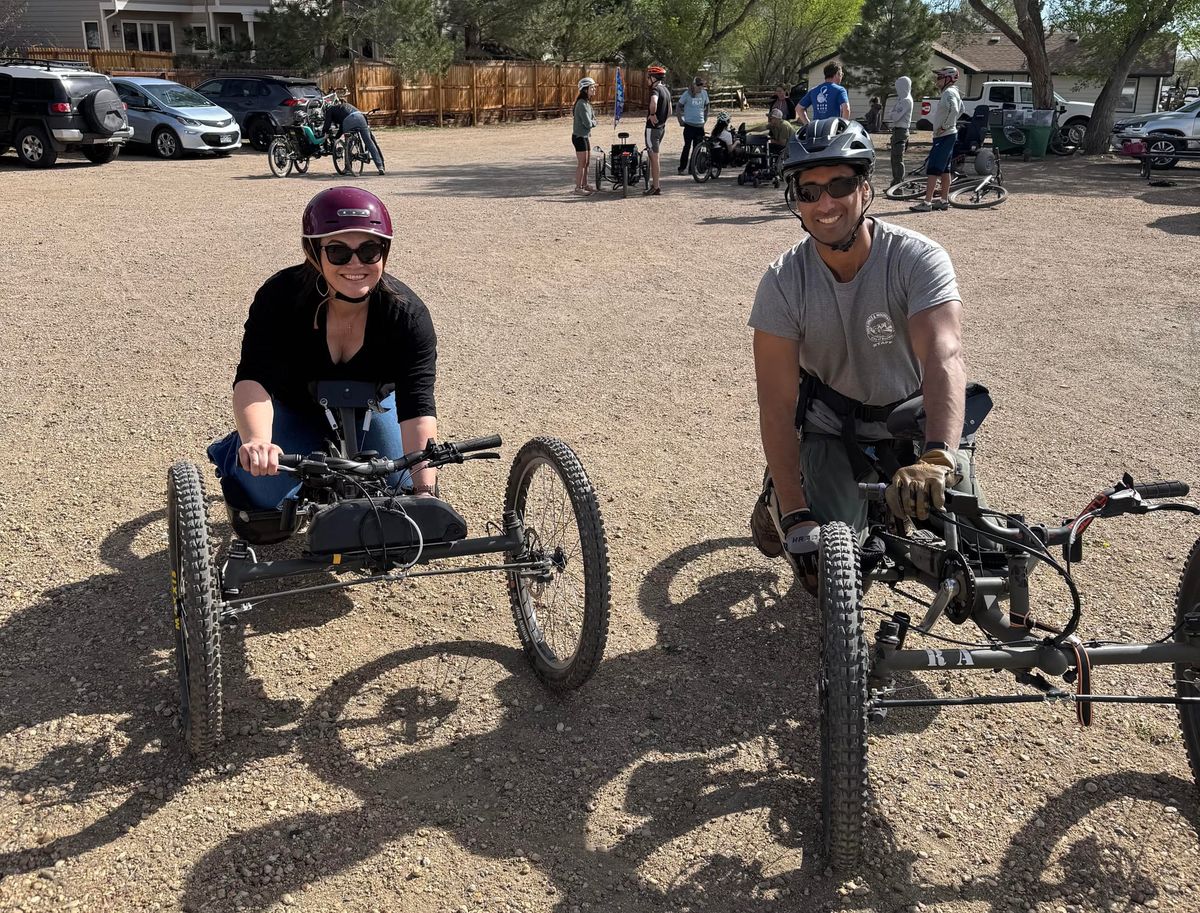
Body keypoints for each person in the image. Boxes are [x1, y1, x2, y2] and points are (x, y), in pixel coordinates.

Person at [747, 118, 968, 591]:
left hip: (912, 422)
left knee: (975, 553)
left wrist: (938, 458)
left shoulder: (916, 258)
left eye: (840, 185)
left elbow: (944, 355)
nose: (825, 204)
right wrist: (794, 510)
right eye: (809, 191)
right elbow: (778, 404)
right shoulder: (783, 281)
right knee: (825, 576)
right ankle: (775, 493)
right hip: (831, 423)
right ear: (796, 201)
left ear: (865, 188)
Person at [207, 187, 438, 511]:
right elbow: (254, 378)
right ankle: (234, 449)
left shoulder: (408, 316)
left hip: (370, 409)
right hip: (296, 405)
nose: (355, 263)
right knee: (264, 501)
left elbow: (417, 405)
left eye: (369, 250)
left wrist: (425, 490)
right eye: (338, 252)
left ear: (385, 251)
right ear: (314, 252)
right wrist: (257, 441)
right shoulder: (280, 297)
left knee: (398, 489)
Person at [912, 67, 962, 212]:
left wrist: (945, 125)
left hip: (944, 135)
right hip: (949, 134)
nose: (937, 79)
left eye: (940, 77)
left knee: (933, 169)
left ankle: (927, 202)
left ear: (948, 78)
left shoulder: (948, 92)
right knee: (945, 170)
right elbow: (962, 109)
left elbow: (955, 110)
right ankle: (943, 200)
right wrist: (950, 124)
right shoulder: (954, 92)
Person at [325, 96, 386, 175]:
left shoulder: (330, 110)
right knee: (369, 142)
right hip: (360, 117)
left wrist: (329, 134)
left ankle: (348, 167)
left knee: (348, 144)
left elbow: (328, 125)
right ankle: (380, 166)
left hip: (348, 121)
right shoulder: (347, 106)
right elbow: (341, 126)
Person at [644, 64, 671, 196]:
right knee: (654, 156)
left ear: (653, 78)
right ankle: (655, 184)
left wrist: (653, 114)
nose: (647, 80)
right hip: (661, 128)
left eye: (648, 77)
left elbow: (653, 102)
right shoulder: (666, 90)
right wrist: (662, 121)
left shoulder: (655, 91)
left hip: (652, 129)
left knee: (654, 157)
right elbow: (670, 111)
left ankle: (656, 186)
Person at [676, 75, 710, 175]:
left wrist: (705, 117)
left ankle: (692, 168)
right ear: (694, 85)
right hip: (689, 125)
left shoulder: (704, 93)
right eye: (698, 85)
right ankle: (681, 168)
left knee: (697, 147)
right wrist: (680, 120)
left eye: (702, 85)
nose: (700, 87)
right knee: (687, 146)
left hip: (700, 125)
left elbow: (707, 105)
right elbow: (679, 106)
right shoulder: (687, 94)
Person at [572, 77, 598, 194]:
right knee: (582, 163)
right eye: (591, 87)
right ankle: (578, 188)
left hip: (585, 136)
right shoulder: (581, 104)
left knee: (587, 163)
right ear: (585, 89)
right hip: (579, 137)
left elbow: (593, 119)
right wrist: (594, 122)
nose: (594, 89)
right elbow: (589, 123)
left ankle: (585, 184)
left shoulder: (587, 103)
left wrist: (593, 121)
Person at [887, 75, 913, 184]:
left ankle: (899, 184)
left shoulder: (906, 101)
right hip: (897, 130)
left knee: (898, 158)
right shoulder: (901, 100)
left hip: (901, 131)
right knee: (894, 158)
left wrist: (893, 113)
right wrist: (893, 113)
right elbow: (891, 114)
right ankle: (895, 181)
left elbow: (895, 116)